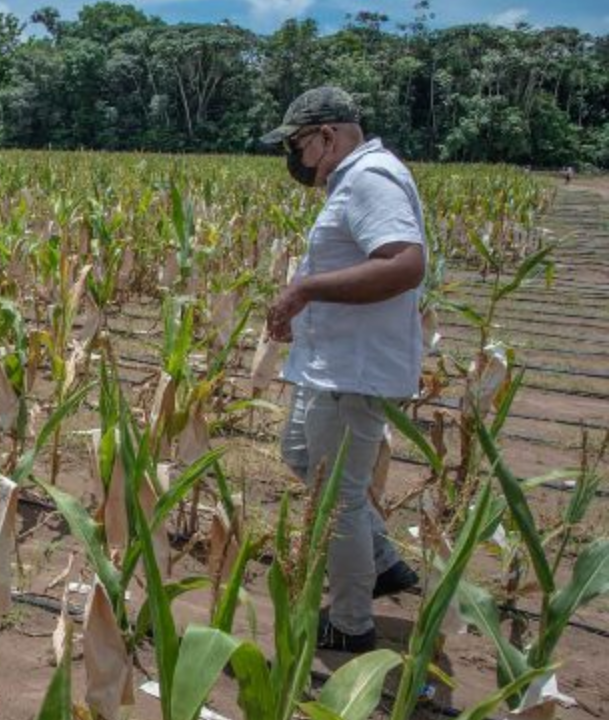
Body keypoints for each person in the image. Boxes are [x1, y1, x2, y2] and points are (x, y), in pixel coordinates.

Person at [262, 86, 424, 653]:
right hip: (330, 366)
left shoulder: (370, 178)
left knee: (338, 499)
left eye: (296, 145)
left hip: (353, 373)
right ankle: (380, 560)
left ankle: (352, 624)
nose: (294, 158)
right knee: (299, 453)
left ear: (326, 135)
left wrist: (304, 290)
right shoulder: (353, 179)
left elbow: (404, 264)